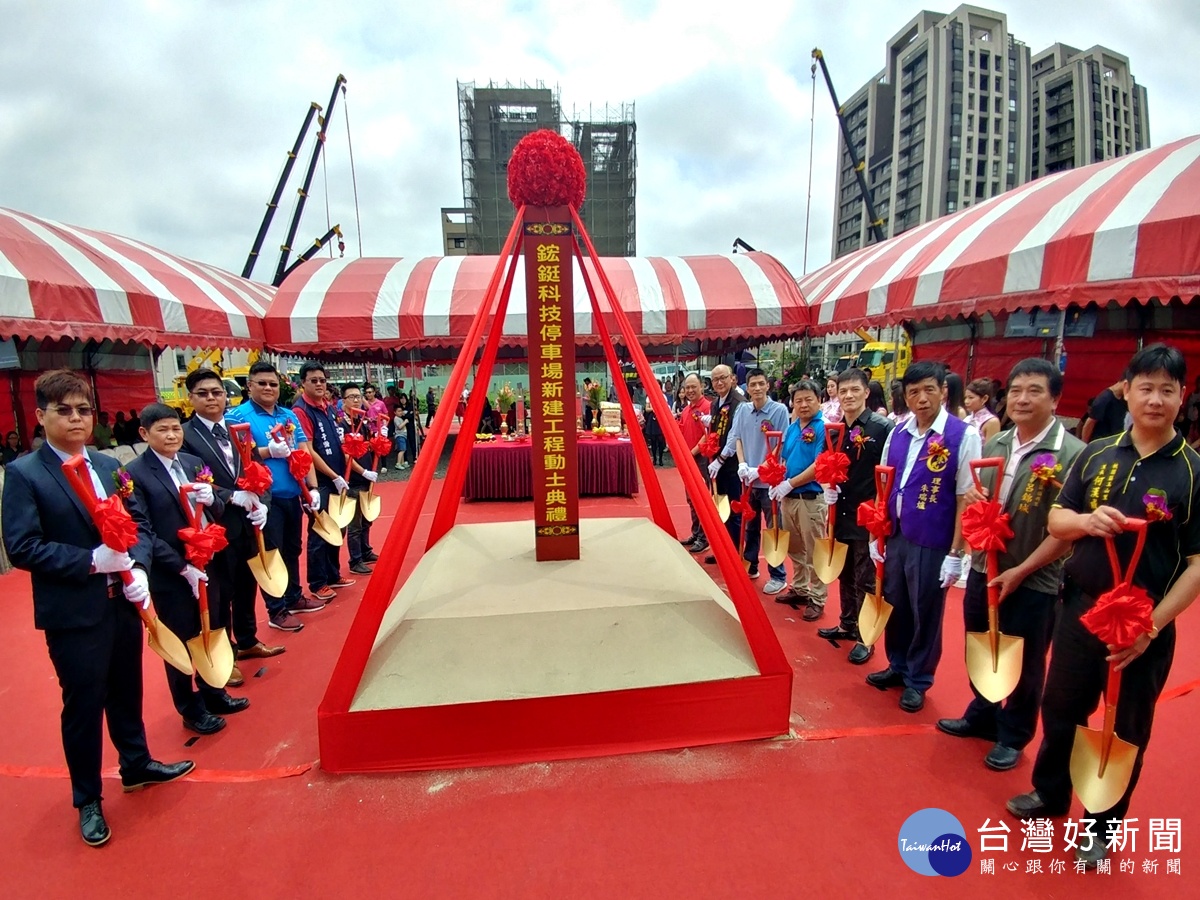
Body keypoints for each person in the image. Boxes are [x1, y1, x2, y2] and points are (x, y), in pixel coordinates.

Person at [1007, 344, 1200, 868]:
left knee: (1125, 724)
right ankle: (1050, 795)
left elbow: (1198, 565)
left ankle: (1102, 826)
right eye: (1146, 387)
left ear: (1182, 397)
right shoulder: (1097, 454)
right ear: (1127, 391)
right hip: (1081, 608)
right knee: (1062, 705)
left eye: (1167, 389)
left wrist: (1152, 627)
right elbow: (1057, 521)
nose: (1155, 399)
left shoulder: (1193, 470)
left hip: (1144, 622)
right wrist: (1088, 521)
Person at [3, 370, 193, 847]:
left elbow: (139, 525)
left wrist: (139, 569)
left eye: (83, 410)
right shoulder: (26, 474)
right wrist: (90, 561)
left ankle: (136, 763)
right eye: (63, 410)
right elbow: (22, 546)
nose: (75, 419)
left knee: (127, 690)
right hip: (74, 612)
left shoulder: (110, 467)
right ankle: (87, 797)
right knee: (84, 704)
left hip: (123, 602)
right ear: (42, 415)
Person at [936, 359, 1084, 772]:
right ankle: (982, 711)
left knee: (1026, 655)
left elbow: (1067, 529)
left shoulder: (1071, 454)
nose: (1022, 398)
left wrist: (1022, 571)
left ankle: (1014, 733)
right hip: (986, 565)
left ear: (1055, 398)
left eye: (1034, 390)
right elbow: (974, 497)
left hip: (1034, 575)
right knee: (980, 639)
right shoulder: (998, 442)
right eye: (1016, 390)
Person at [126, 403, 248, 735]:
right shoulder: (135, 474)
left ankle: (214, 690)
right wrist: (182, 566)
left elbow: (218, 511)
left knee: (216, 625)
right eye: (162, 429)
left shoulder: (194, 463)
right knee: (182, 638)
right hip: (174, 572)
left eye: (176, 428)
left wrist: (214, 499)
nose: (171, 435)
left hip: (212, 561)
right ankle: (190, 707)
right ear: (144, 433)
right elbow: (144, 531)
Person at [867, 361, 982, 712]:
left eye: (929, 390)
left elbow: (966, 496)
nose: (921, 398)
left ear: (943, 391)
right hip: (897, 534)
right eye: (913, 391)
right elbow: (884, 484)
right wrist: (877, 531)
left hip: (933, 539)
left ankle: (919, 677)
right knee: (896, 601)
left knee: (925, 610)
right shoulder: (898, 432)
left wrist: (956, 552)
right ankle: (897, 664)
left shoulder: (963, 435)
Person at [181, 369, 283, 679]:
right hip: (215, 525)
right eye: (203, 393)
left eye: (216, 392)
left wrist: (262, 503)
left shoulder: (239, 429)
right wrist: (228, 496)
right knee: (220, 593)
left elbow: (257, 469)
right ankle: (227, 656)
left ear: (226, 396)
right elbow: (187, 479)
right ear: (191, 398)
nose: (211, 398)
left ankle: (248, 639)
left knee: (246, 584)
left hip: (248, 522)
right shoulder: (185, 436)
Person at [226, 361, 325, 632]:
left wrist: (312, 487)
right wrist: (268, 451)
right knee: (271, 553)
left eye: (273, 384)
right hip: (264, 498)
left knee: (293, 549)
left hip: (293, 492)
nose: (268, 388)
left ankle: (293, 596)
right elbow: (237, 456)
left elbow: (303, 450)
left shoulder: (287, 415)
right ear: (249, 386)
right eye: (262, 383)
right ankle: (276, 608)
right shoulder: (237, 417)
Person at [817, 368, 893, 663]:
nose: (848, 396)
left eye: (854, 390)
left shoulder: (881, 429)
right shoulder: (834, 429)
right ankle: (847, 622)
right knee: (845, 572)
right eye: (843, 390)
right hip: (840, 512)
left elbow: (888, 475)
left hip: (868, 515)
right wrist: (827, 487)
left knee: (865, 578)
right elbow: (825, 463)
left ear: (866, 393)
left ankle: (865, 637)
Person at [718, 367, 790, 590]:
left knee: (772, 528)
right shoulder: (743, 410)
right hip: (747, 480)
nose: (757, 388)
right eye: (753, 385)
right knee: (749, 526)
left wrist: (761, 469)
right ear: (746, 388)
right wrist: (741, 463)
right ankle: (750, 565)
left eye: (761, 383)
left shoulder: (778, 411)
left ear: (768, 385)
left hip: (768, 481)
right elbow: (737, 437)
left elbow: (781, 443)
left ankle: (778, 575)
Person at [291, 362, 355, 604]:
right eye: (313, 380)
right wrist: (329, 478)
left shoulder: (327, 407)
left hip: (337, 477)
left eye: (322, 380)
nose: (319, 384)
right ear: (303, 383)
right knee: (320, 531)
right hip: (321, 482)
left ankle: (333, 573)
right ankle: (318, 582)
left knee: (338, 526)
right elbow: (308, 451)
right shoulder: (301, 411)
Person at [770, 380, 828, 620]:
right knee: (795, 546)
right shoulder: (793, 427)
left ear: (819, 400)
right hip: (789, 497)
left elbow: (819, 466)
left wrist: (790, 483)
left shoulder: (823, 428)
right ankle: (800, 587)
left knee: (815, 549)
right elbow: (784, 458)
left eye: (808, 399)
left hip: (810, 498)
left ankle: (818, 597)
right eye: (798, 400)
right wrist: (774, 476)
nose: (803, 405)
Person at [705, 364, 745, 564]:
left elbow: (735, 435)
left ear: (733, 379)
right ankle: (723, 549)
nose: (719, 382)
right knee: (719, 508)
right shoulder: (715, 403)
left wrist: (720, 460)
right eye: (715, 379)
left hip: (731, 466)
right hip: (716, 465)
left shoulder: (739, 403)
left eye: (723, 378)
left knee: (734, 510)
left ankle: (736, 555)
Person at [341, 383, 380, 575]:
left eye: (358, 396)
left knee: (367, 518)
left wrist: (377, 443)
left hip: (366, 479)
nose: (356, 400)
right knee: (354, 524)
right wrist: (363, 471)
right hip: (353, 480)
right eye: (352, 397)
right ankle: (355, 560)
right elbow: (345, 454)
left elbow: (366, 447)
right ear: (344, 401)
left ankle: (365, 551)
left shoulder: (362, 422)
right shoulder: (342, 424)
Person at [676, 374, 712, 556]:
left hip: (701, 459)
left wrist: (692, 453)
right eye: (687, 388)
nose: (690, 391)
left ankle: (704, 537)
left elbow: (708, 433)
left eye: (693, 387)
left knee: (701, 498)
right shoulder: (686, 410)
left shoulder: (707, 407)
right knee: (691, 498)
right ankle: (696, 532)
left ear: (702, 387)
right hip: (688, 459)